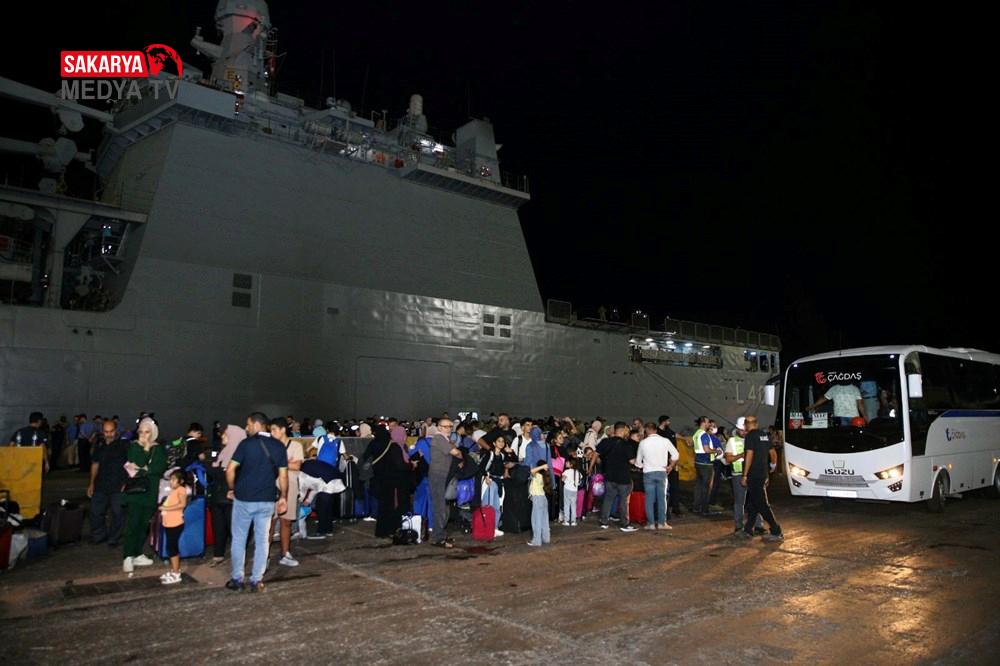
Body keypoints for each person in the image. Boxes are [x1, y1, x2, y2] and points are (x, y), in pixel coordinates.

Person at [225, 412, 289, 592]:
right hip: (267, 499)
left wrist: (231, 488)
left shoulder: (246, 444)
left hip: (244, 498)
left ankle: (237, 579)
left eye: (248, 424)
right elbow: (283, 476)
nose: (246, 428)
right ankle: (256, 580)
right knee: (262, 541)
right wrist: (283, 497)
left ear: (256, 424)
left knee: (239, 539)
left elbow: (230, 470)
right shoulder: (278, 446)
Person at [122, 417, 167, 573]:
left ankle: (137, 553)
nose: (143, 435)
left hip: (151, 492)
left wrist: (144, 469)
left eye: (147, 432)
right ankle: (128, 556)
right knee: (132, 524)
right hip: (136, 492)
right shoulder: (134, 447)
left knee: (143, 525)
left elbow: (159, 468)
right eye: (141, 431)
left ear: (153, 432)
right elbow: (136, 464)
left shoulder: (158, 448)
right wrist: (146, 451)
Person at [738, 416, 783, 542]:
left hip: (754, 475)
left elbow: (749, 455)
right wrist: (772, 466)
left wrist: (745, 475)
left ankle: (776, 530)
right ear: (756, 424)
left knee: (762, 504)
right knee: (753, 503)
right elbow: (772, 452)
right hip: (762, 474)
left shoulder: (750, 436)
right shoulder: (764, 435)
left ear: (746, 425)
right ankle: (748, 529)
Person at [88, 419, 129, 546]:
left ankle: (114, 538)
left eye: (111, 431)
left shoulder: (124, 446)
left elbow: (130, 465)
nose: (109, 434)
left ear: (116, 431)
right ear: (102, 432)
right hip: (100, 485)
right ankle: (99, 535)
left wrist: (126, 482)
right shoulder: (99, 446)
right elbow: (95, 464)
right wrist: (91, 483)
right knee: (95, 512)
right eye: (106, 432)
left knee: (118, 513)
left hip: (118, 486)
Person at [209, 425, 245, 566]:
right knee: (218, 526)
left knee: (233, 529)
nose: (222, 436)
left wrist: (213, 468)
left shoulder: (240, 455)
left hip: (231, 498)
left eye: (225, 434)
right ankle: (218, 554)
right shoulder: (222, 452)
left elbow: (228, 474)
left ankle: (238, 557)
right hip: (218, 496)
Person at [269, 418, 302, 567]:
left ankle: (285, 553)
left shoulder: (295, 445)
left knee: (286, 521)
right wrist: (288, 463)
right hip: (271, 486)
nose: (272, 433)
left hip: (290, 486)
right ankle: (264, 554)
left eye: (274, 430)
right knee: (269, 522)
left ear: (283, 430)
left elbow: (297, 466)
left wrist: (279, 463)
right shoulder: (269, 446)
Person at [635, 422, 679, 530]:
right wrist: (670, 466)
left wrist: (642, 466)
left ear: (646, 430)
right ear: (656, 430)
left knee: (649, 499)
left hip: (648, 473)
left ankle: (650, 524)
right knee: (662, 498)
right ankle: (662, 523)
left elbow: (638, 462)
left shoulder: (643, 443)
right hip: (662, 472)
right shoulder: (665, 441)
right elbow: (676, 454)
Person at [372, 426, 412, 539]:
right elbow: (400, 465)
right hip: (394, 484)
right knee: (392, 507)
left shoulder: (392, 446)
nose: (405, 437)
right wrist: (411, 465)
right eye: (404, 434)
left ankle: (385, 531)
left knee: (386, 507)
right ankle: (390, 530)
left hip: (387, 482)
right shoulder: (396, 447)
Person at [596, 422, 638, 532]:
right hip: (623, 477)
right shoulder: (626, 444)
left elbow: (596, 454)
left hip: (609, 475)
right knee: (623, 501)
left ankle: (604, 521)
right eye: (627, 430)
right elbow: (632, 461)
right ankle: (624, 524)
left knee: (608, 499)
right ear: (623, 430)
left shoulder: (606, 442)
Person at [428, 417, 462, 548]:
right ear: (439, 427)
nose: (448, 429)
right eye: (445, 426)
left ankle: (441, 534)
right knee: (440, 507)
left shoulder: (445, 439)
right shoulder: (439, 438)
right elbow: (456, 452)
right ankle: (438, 537)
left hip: (444, 476)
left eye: (450, 426)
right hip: (438, 476)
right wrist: (458, 452)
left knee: (444, 506)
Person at [159, 470, 187, 585]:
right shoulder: (173, 491)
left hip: (175, 523)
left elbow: (182, 504)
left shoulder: (181, 490)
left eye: (174, 480)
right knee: (170, 547)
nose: (171, 482)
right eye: (171, 479)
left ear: (181, 481)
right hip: (168, 523)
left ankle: (176, 573)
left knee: (172, 548)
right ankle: (174, 570)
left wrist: (166, 508)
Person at [526, 459, 551, 547]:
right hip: (543, 498)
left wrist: (542, 466)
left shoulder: (537, 475)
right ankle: (546, 538)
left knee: (536, 520)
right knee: (544, 520)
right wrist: (543, 467)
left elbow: (531, 471)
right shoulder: (545, 476)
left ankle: (536, 541)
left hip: (537, 499)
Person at [560, 458, 581, 526]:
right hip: (574, 490)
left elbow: (563, 479)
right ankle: (573, 521)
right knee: (573, 505)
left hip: (567, 489)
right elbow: (580, 479)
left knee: (566, 505)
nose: (566, 463)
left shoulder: (566, 471)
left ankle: (566, 521)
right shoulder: (577, 472)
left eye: (567, 462)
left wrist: (562, 478)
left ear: (571, 465)